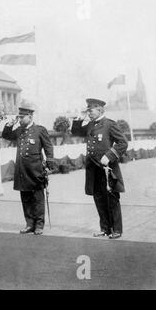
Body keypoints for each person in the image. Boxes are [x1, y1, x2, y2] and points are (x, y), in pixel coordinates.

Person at [71, 98, 128, 239]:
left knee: (112, 199)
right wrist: (79, 118)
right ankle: (105, 229)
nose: (89, 113)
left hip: (107, 168)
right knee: (99, 198)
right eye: (88, 110)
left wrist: (109, 156)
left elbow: (123, 143)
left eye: (91, 110)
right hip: (93, 169)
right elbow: (76, 132)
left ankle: (117, 230)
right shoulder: (90, 125)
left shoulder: (109, 124)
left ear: (100, 109)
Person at [2, 107, 54, 235]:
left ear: (30, 116)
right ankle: (29, 223)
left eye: (22, 117)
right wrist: (9, 124)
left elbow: (48, 147)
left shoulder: (39, 130)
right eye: (19, 117)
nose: (19, 119)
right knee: (25, 198)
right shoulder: (19, 130)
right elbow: (6, 135)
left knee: (37, 198)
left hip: (35, 169)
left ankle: (39, 225)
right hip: (22, 170)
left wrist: (50, 165)